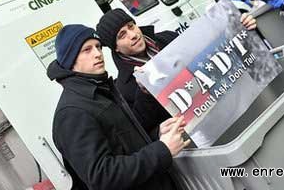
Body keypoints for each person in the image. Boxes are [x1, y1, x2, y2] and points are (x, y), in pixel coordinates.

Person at [47, 24, 189, 190]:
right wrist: (162, 150)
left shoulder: (102, 91)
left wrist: (157, 135)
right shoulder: (72, 112)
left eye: (98, 47)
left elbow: (125, 148)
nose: (97, 54)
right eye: (87, 50)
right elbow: (102, 177)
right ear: (70, 59)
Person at [96, 9, 257, 137]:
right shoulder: (125, 87)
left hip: (238, 106)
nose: (132, 35)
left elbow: (213, 53)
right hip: (208, 135)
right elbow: (143, 128)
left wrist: (239, 27)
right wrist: (144, 93)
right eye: (122, 35)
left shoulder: (168, 38)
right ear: (115, 48)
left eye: (131, 26)